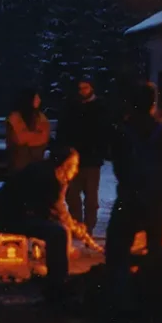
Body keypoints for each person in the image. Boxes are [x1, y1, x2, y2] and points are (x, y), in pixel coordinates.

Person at [105, 83, 162, 315]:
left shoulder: (122, 132)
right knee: (156, 244)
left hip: (131, 197)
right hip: (157, 198)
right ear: (152, 105)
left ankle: (121, 300)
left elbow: (118, 167)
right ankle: (160, 296)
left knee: (118, 245)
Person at [0, 147, 100, 299]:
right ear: (64, 165)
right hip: (10, 216)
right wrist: (75, 228)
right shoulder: (50, 177)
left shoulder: (52, 174)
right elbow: (57, 211)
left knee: (60, 229)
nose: (76, 171)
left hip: (21, 213)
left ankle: (59, 276)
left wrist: (73, 225)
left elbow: (56, 210)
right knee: (59, 233)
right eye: (74, 165)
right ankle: (57, 282)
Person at [58, 76, 112, 234]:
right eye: (80, 88)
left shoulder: (99, 107)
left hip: (91, 159)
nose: (82, 92)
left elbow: (103, 131)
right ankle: (77, 224)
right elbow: (64, 130)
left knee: (90, 197)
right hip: (73, 158)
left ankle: (88, 227)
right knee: (72, 195)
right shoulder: (72, 106)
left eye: (85, 88)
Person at [6, 89, 50, 173]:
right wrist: (36, 135)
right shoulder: (14, 117)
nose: (39, 100)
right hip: (19, 165)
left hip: (37, 162)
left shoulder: (41, 117)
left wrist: (28, 138)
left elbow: (44, 137)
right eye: (36, 98)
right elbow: (19, 138)